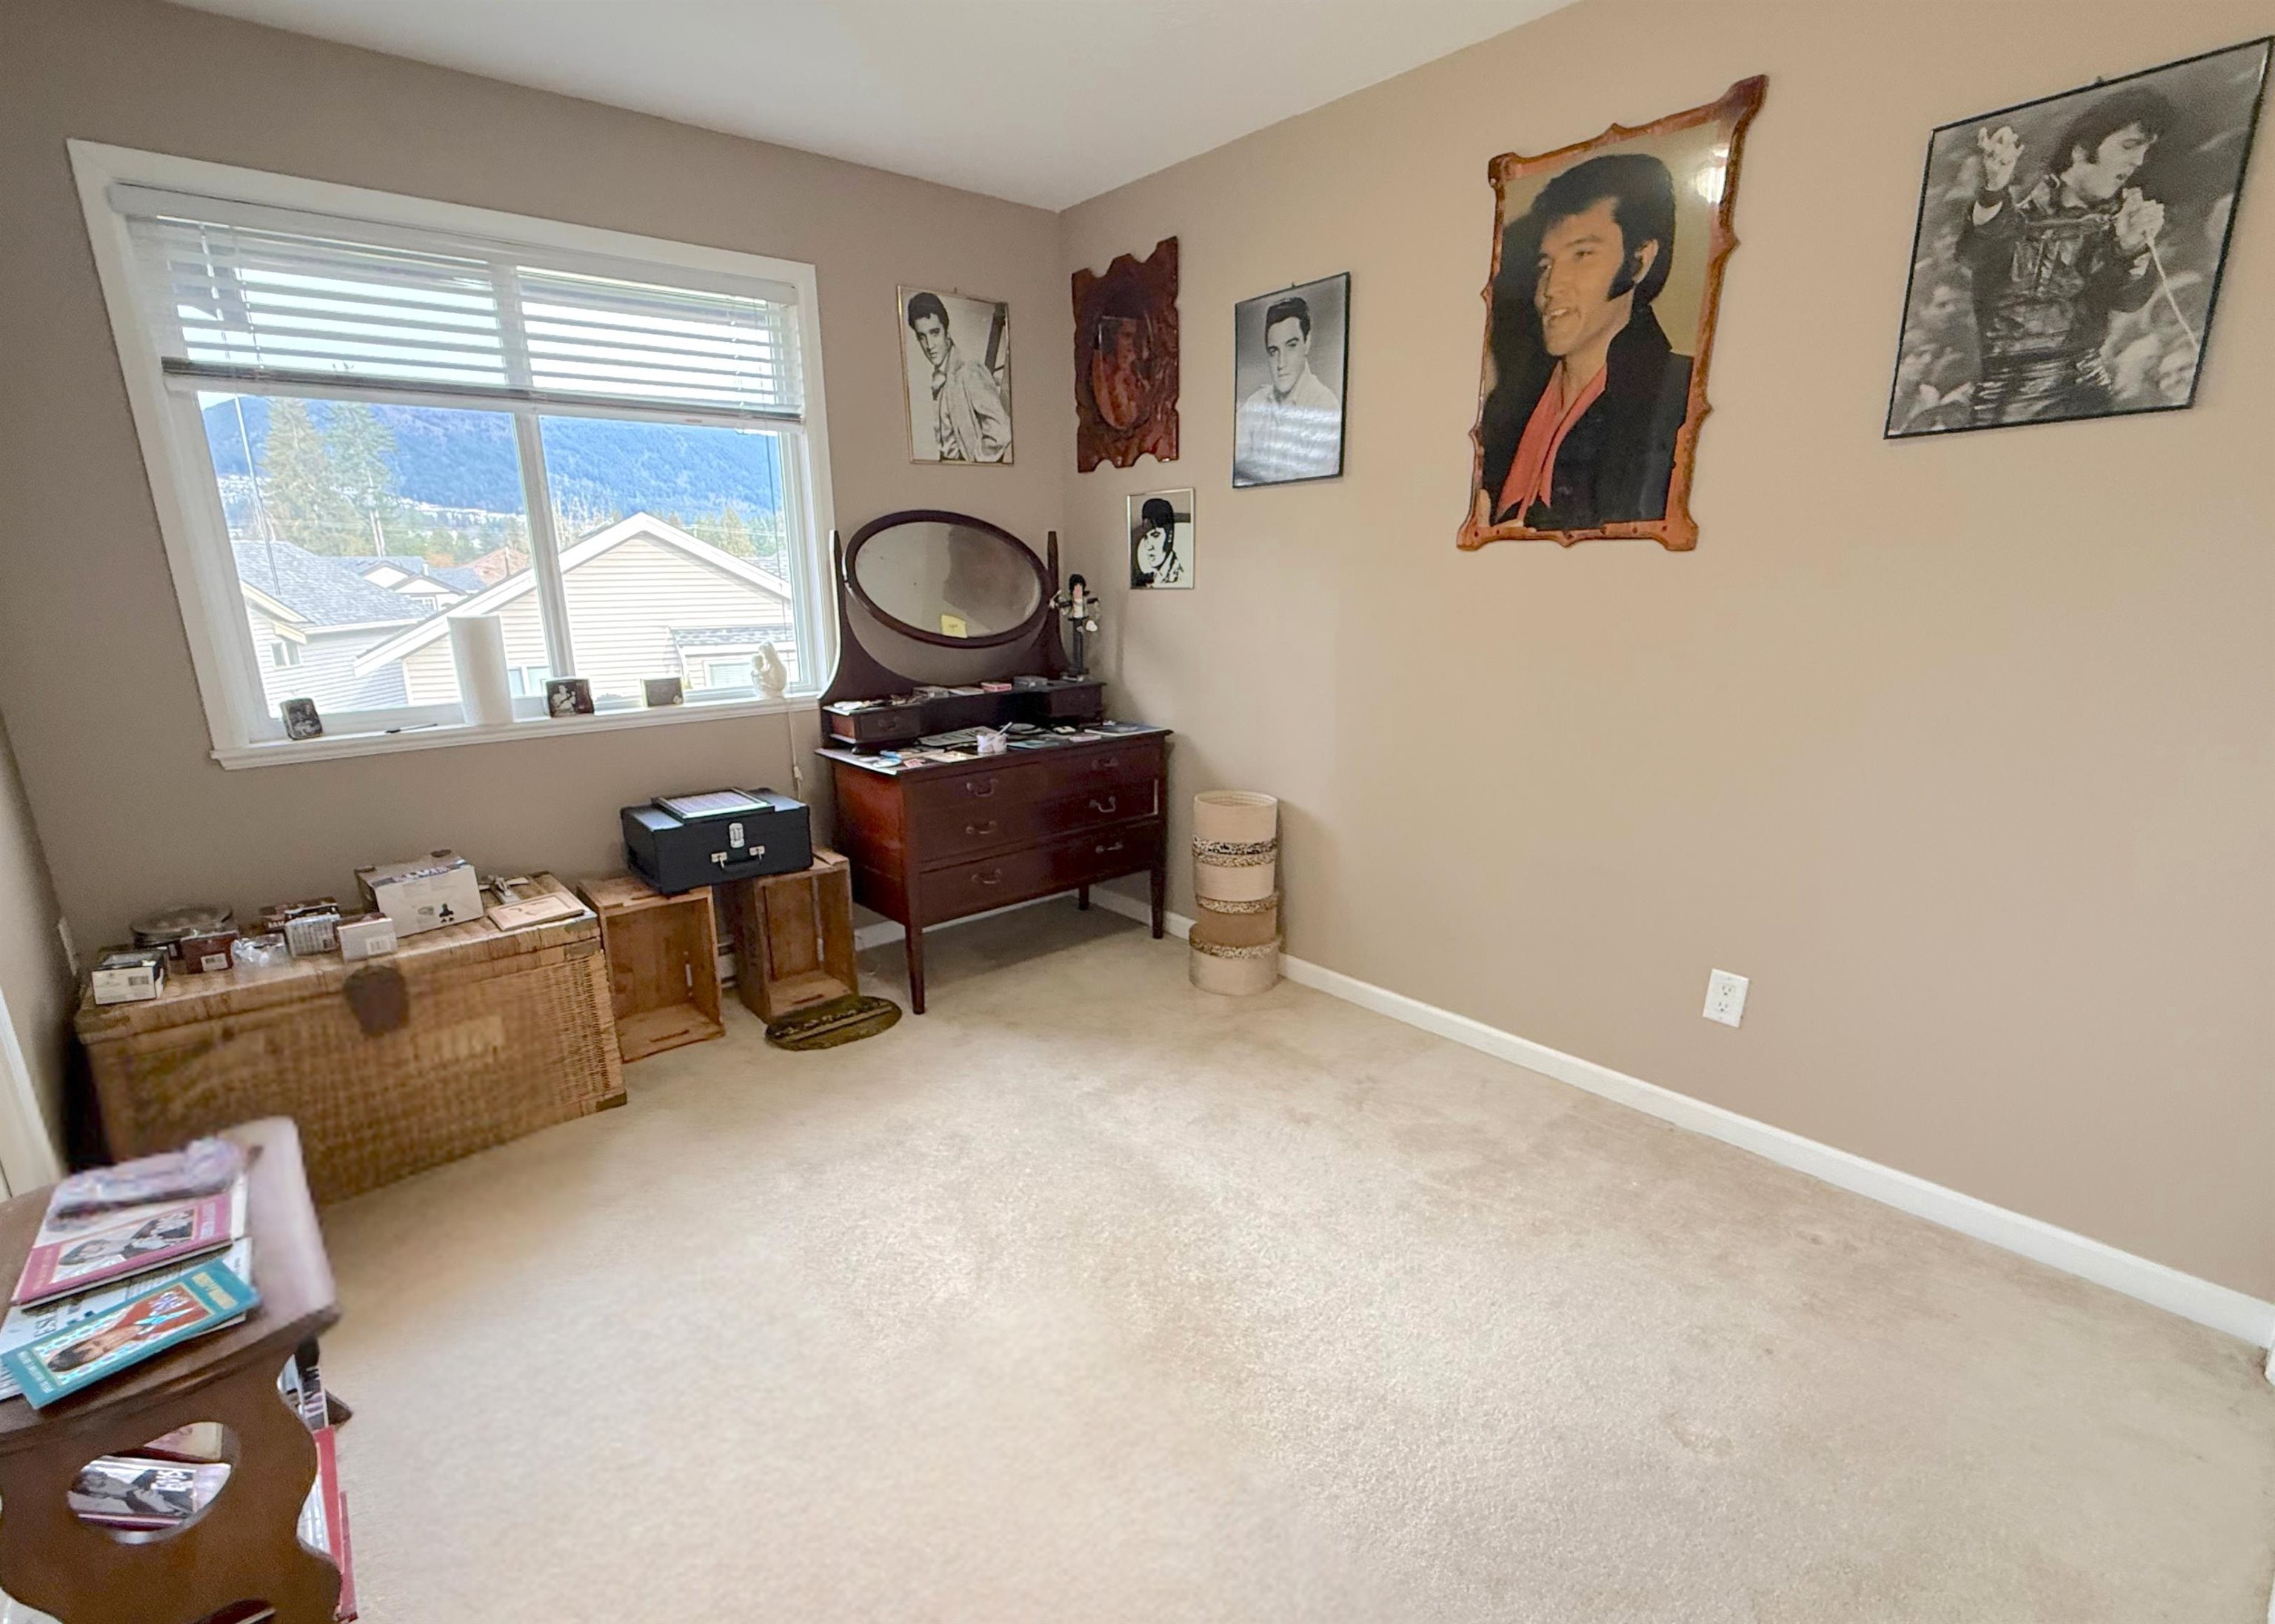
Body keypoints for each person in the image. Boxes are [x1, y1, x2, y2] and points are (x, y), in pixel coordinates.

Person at [1477, 152, 1692, 529]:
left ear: (1639, 261)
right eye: (1545, 265)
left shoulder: (1677, 397)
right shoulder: (1508, 407)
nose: (1551, 288)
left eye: (1582, 255)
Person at [1958, 87, 2170, 424]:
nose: (2138, 161)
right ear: (2082, 150)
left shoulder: (2117, 225)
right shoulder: (2016, 219)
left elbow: (2128, 300)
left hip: (2090, 385)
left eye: (2146, 150)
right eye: (2129, 145)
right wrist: (1994, 189)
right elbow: (1975, 251)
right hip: (2016, 393)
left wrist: (2130, 249)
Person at [1234, 295, 1342, 484]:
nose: (1281, 363)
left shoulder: (1325, 407)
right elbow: (1229, 466)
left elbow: (1308, 485)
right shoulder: (1254, 404)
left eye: (1291, 346)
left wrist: (1250, 470)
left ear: (1307, 343)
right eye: (1274, 351)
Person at [906, 292, 1011, 463]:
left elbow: (1002, 432)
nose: (929, 345)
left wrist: (975, 463)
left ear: (947, 332)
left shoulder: (969, 371)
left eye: (935, 333)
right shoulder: (940, 377)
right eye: (922, 337)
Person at [1130, 496, 1184, 587]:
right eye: (1145, 537)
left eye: (1155, 535)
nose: (1148, 546)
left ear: (1170, 536)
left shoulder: (1179, 576)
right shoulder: (1149, 576)